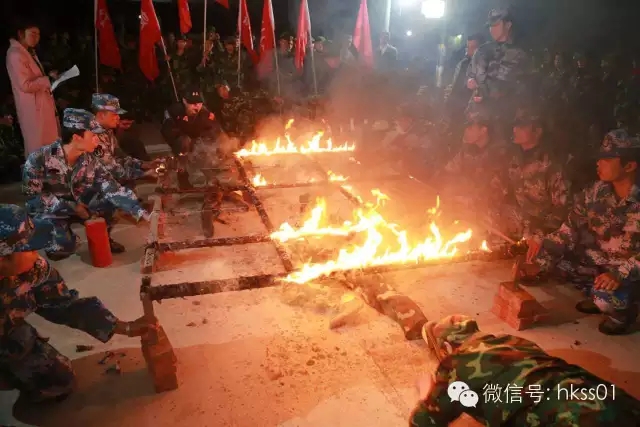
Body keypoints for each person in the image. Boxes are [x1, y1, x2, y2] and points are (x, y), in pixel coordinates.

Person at [0, 204, 154, 405]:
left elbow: (64, 304)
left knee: (58, 381)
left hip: (8, 331)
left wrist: (122, 327)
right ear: (3, 259)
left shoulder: (33, 270)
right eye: (30, 249)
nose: (38, 254)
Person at [410, 315, 640, 426]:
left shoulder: (455, 366)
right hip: (615, 401)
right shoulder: (516, 342)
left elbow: (424, 423)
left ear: (448, 346)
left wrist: (426, 394)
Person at [522, 130, 640, 335]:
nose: (598, 163)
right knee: (548, 256)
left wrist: (620, 273)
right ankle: (596, 292)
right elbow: (571, 226)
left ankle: (624, 313)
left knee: (607, 297)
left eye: (607, 159)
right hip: (604, 262)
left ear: (629, 166)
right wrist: (542, 246)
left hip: (631, 272)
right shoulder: (596, 191)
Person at [22, 109, 150, 261]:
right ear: (77, 137)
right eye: (93, 135)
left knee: (111, 200)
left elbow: (111, 187)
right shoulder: (39, 159)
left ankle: (102, 237)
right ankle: (64, 239)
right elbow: (33, 198)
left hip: (84, 207)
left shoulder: (90, 160)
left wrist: (142, 214)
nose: (97, 140)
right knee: (61, 249)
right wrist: (72, 207)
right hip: (54, 211)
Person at [492, 106, 571, 255]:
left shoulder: (550, 164)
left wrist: (540, 233)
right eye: (515, 125)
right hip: (515, 227)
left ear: (538, 131)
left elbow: (561, 209)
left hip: (542, 232)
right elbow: (496, 188)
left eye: (521, 126)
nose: (515, 130)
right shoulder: (511, 158)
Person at [466, 8, 532, 138]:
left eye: (496, 25)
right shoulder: (482, 51)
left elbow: (525, 85)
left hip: (505, 116)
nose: (492, 30)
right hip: (480, 116)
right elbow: (470, 75)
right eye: (490, 26)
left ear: (508, 25)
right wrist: (470, 81)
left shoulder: (519, 53)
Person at [6, 19, 59, 155]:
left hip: (41, 106)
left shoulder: (29, 52)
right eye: (33, 33)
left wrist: (49, 77)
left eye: (38, 34)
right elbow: (25, 85)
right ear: (21, 34)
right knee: (37, 149)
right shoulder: (15, 54)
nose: (36, 38)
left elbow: (35, 78)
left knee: (48, 148)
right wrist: (47, 80)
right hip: (33, 109)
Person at [161, 85, 224, 189]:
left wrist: (218, 145)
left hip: (197, 138)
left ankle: (211, 179)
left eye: (199, 103)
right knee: (184, 143)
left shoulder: (205, 113)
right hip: (179, 140)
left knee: (208, 147)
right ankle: (182, 178)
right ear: (184, 101)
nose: (196, 106)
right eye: (192, 103)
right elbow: (167, 132)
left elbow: (215, 129)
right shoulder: (174, 112)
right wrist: (186, 139)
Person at [91, 93, 156, 185]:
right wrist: (143, 174)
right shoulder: (92, 136)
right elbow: (112, 169)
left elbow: (121, 157)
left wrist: (146, 164)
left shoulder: (107, 131)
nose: (118, 118)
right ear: (101, 115)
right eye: (114, 114)